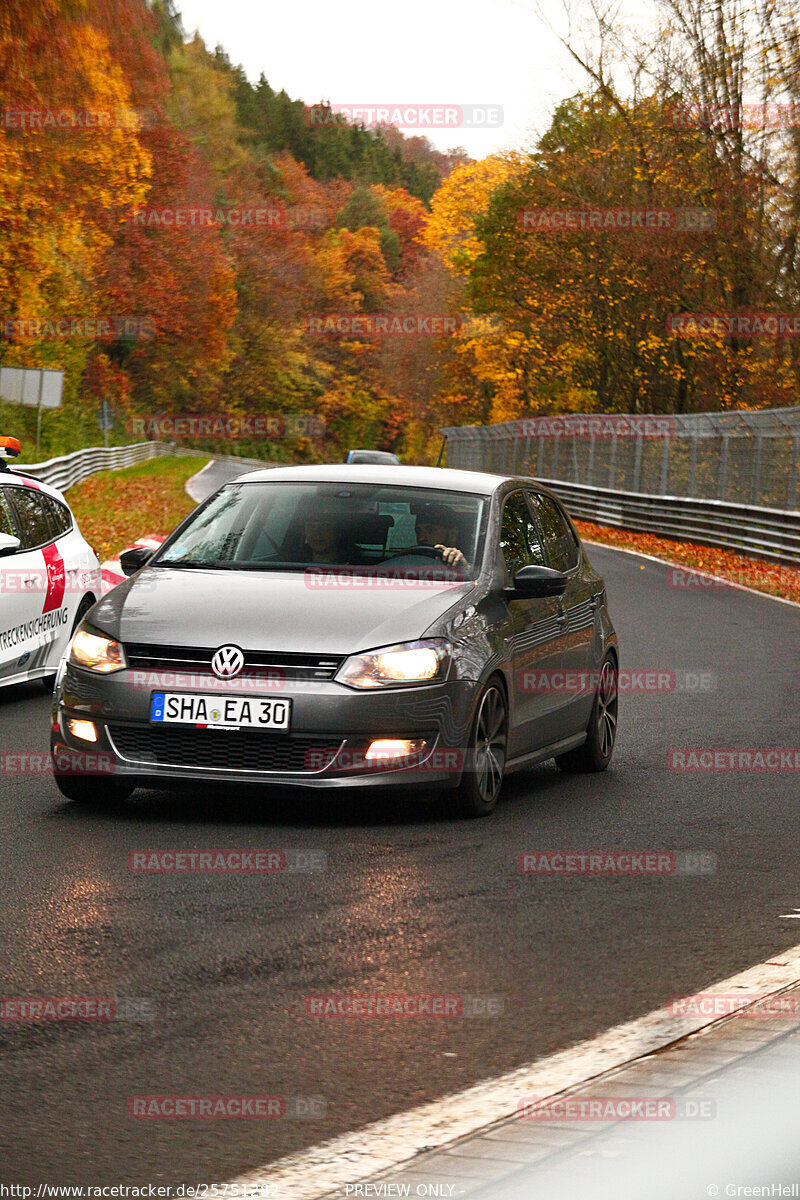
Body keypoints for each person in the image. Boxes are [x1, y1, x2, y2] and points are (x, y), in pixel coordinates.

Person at [414, 502, 468, 568]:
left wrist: (464, 567)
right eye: (418, 531)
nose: (421, 538)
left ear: (453, 534)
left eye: (430, 530)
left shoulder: (477, 568)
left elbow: (471, 575)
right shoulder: (409, 560)